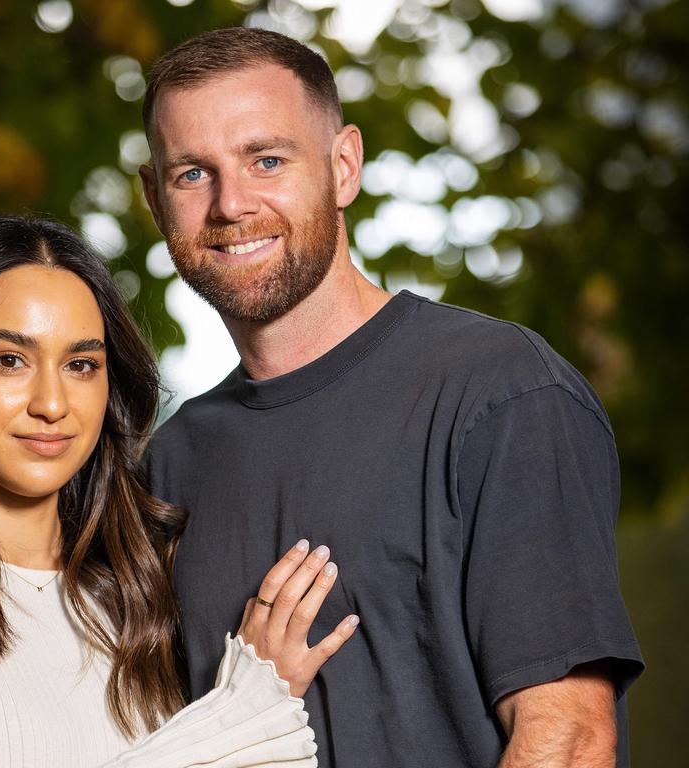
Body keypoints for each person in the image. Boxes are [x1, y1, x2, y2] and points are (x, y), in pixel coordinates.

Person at [138, 27, 644, 768]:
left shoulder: (500, 393)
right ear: (156, 199)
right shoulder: (168, 466)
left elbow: (566, 739)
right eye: (191, 174)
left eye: (266, 160)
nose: (231, 204)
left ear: (344, 167)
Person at [0, 216, 360, 768]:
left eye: (81, 365)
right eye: (9, 360)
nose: (52, 403)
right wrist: (247, 710)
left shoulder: (143, 593)